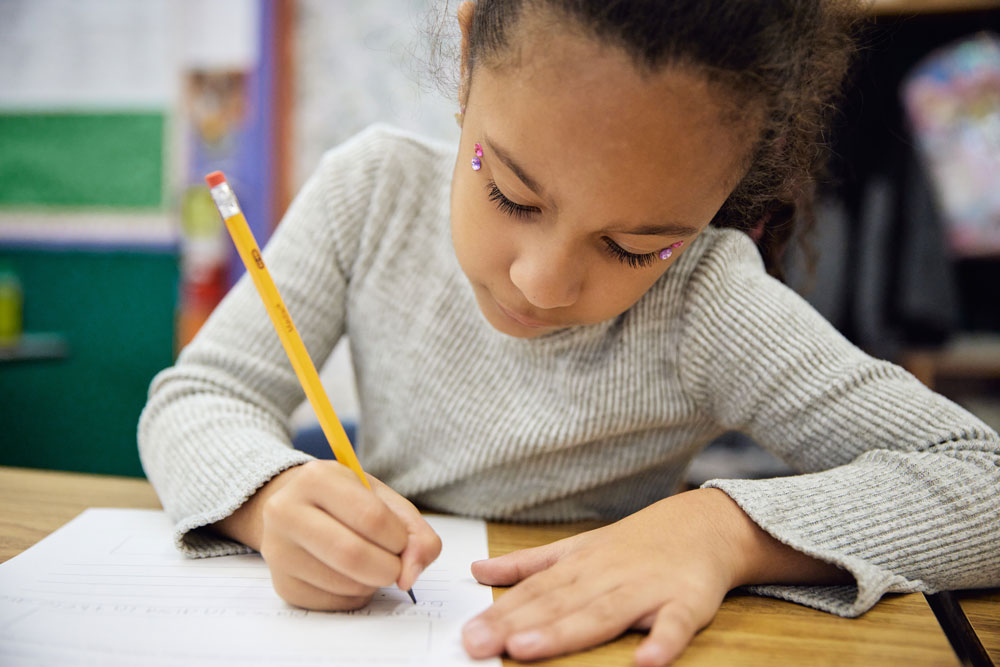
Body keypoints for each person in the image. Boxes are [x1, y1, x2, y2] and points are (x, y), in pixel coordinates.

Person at [138, 1, 1000, 665]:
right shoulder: (369, 198)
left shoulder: (707, 299)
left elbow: (982, 479)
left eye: (635, 246)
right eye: (512, 195)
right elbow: (201, 396)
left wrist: (723, 531)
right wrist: (272, 497)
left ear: (741, 168)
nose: (540, 282)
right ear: (471, 55)